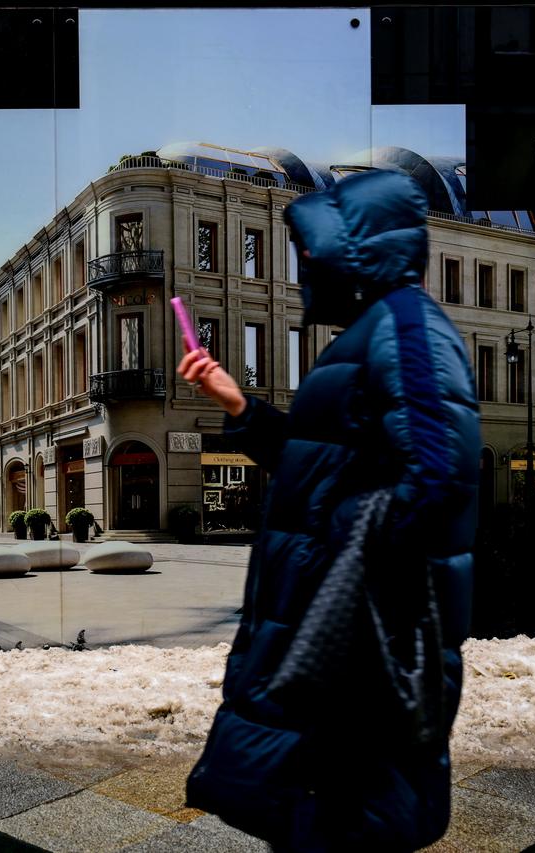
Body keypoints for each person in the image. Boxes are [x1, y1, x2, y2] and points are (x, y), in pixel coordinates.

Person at [180, 169, 480, 851]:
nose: (303, 267)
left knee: (348, 816)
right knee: (320, 814)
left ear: (361, 248)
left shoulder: (407, 329)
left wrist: (338, 549)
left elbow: (438, 476)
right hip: (340, 639)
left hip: (357, 648)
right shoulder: (378, 329)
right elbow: (324, 466)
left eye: (312, 252)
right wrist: (239, 406)